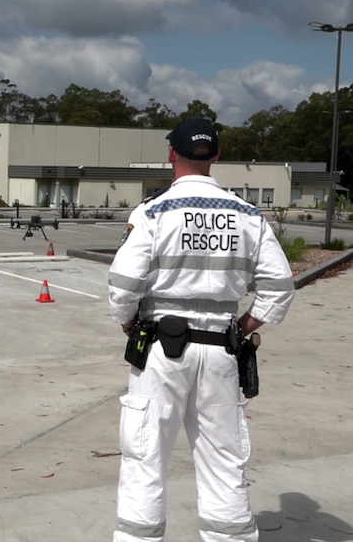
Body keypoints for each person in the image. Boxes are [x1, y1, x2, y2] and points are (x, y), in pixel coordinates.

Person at [108, 117, 295, 542]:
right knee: (223, 462)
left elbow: (121, 287)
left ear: (171, 154)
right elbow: (280, 289)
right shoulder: (247, 215)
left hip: (160, 350)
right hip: (221, 351)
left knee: (145, 459)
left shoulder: (153, 212)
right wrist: (243, 326)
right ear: (216, 155)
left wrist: (128, 324)